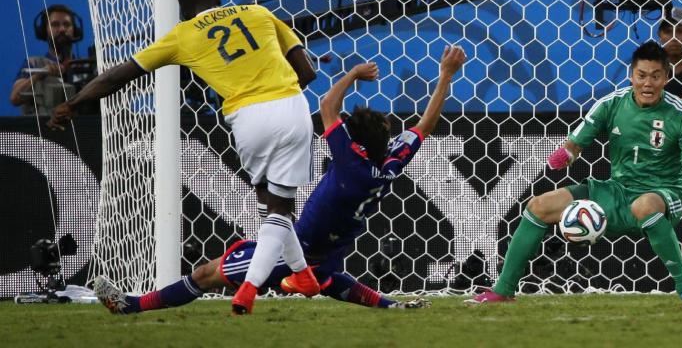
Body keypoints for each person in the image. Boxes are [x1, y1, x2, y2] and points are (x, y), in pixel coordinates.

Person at [92, 45, 467, 315]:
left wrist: (352, 74)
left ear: (355, 141)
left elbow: (326, 107)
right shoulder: (390, 163)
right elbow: (425, 123)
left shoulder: (349, 160)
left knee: (207, 274)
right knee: (326, 277)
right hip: (327, 248)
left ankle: (130, 307)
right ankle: (389, 305)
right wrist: (446, 77)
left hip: (294, 248)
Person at [47, 0, 322, 315]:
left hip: (246, 117)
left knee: (270, 210)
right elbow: (306, 72)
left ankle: (257, 287)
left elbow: (114, 77)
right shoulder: (259, 12)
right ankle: (301, 275)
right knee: (277, 210)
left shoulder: (184, 34)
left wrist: (73, 103)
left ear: (182, 12)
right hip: (288, 104)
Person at [467, 42, 682, 304]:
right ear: (632, 76)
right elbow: (576, 144)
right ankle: (503, 290)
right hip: (617, 192)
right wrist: (566, 155)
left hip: (664, 193)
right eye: (641, 76)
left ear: (666, 77)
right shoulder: (611, 104)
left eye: (655, 76)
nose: (647, 83)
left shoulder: (680, 114)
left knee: (644, 205)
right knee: (538, 206)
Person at [10, 4, 91, 116]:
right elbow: (15, 98)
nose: (62, 29)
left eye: (67, 24)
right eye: (55, 25)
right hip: (43, 130)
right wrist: (39, 75)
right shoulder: (34, 63)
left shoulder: (87, 66)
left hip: (86, 130)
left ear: (75, 30)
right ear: (44, 30)